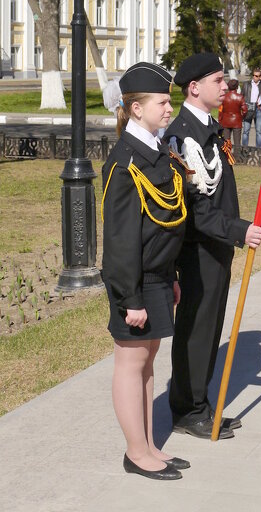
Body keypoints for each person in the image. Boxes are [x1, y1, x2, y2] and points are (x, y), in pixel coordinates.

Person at [164, 53, 261, 439]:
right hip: (197, 251)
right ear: (195, 87)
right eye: (219, 80)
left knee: (210, 328)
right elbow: (196, 211)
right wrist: (241, 230)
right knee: (196, 329)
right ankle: (186, 409)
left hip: (216, 248)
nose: (226, 87)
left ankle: (201, 402)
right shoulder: (182, 136)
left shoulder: (208, 129)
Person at [101, 62, 189, 481]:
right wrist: (129, 298)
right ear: (136, 109)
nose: (168, 108)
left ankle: (150, 443)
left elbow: (164, 225)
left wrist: (170, 277)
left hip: (155, 276)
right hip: (133, 283)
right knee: (131, 360)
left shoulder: (156, 152)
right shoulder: (124, 163)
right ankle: (136, 453)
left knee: (149, 359)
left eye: (168, 100)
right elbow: (120, 241)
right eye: (161, 101)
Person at [218, 78, 247, 148]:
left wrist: (220, 120)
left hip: (225, 121)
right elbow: (245, 110)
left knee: (226, 142)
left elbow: (220, 110)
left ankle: (226, 157)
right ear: (237, 87)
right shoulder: (240, 97)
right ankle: (237, 157)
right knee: (237, 143)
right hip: (237, 122)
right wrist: (241, 117)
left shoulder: (224, 97)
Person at [241, 68, 261, 147]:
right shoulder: (246, 84)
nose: (254, 77)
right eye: (253, 75)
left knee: (259, 131)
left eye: (257, 76)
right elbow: (242, 96)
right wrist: (243, 107)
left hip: (259, 108)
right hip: (249, 108)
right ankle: (244, 149)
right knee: (246, 131)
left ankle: (259, 149)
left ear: (260, 77)